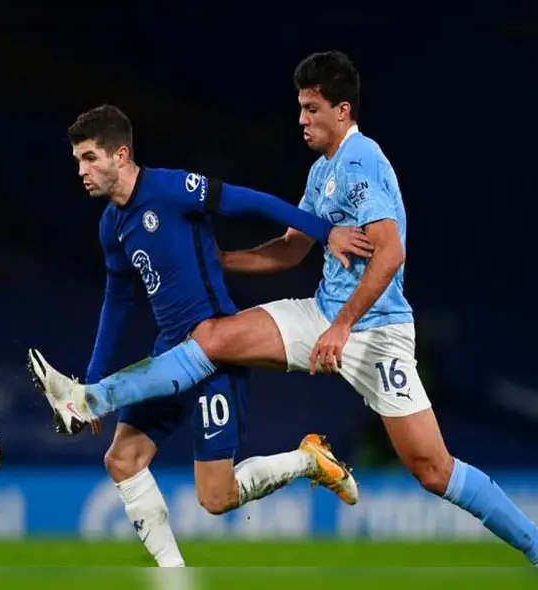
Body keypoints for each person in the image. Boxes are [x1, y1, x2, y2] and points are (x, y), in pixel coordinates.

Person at [29, 52, 538, 567]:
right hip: (320, 313)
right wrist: (227, 259)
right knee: (214, 336)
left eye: (310, 109)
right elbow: (293, 247)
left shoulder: (364, 160)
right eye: (299, 108)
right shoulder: (322, 172)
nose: (301, 119)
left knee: (433, 470)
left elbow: (390, 254)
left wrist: (341, 328)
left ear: (342, 111)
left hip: (375, 330)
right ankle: (91, 396)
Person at [28, 104, 370, 567]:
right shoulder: (112, 225)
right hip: (168, 350)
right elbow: (118, 299)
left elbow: (251, 201)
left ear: (120, 154)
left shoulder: (171, 189)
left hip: (217, 348)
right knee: (122, 461)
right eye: (77, 161)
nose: (81, 171)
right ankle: (175, 576)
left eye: (89, 158)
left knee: (216, 496)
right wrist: (93, 370)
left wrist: (326, 233)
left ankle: (308, 460)